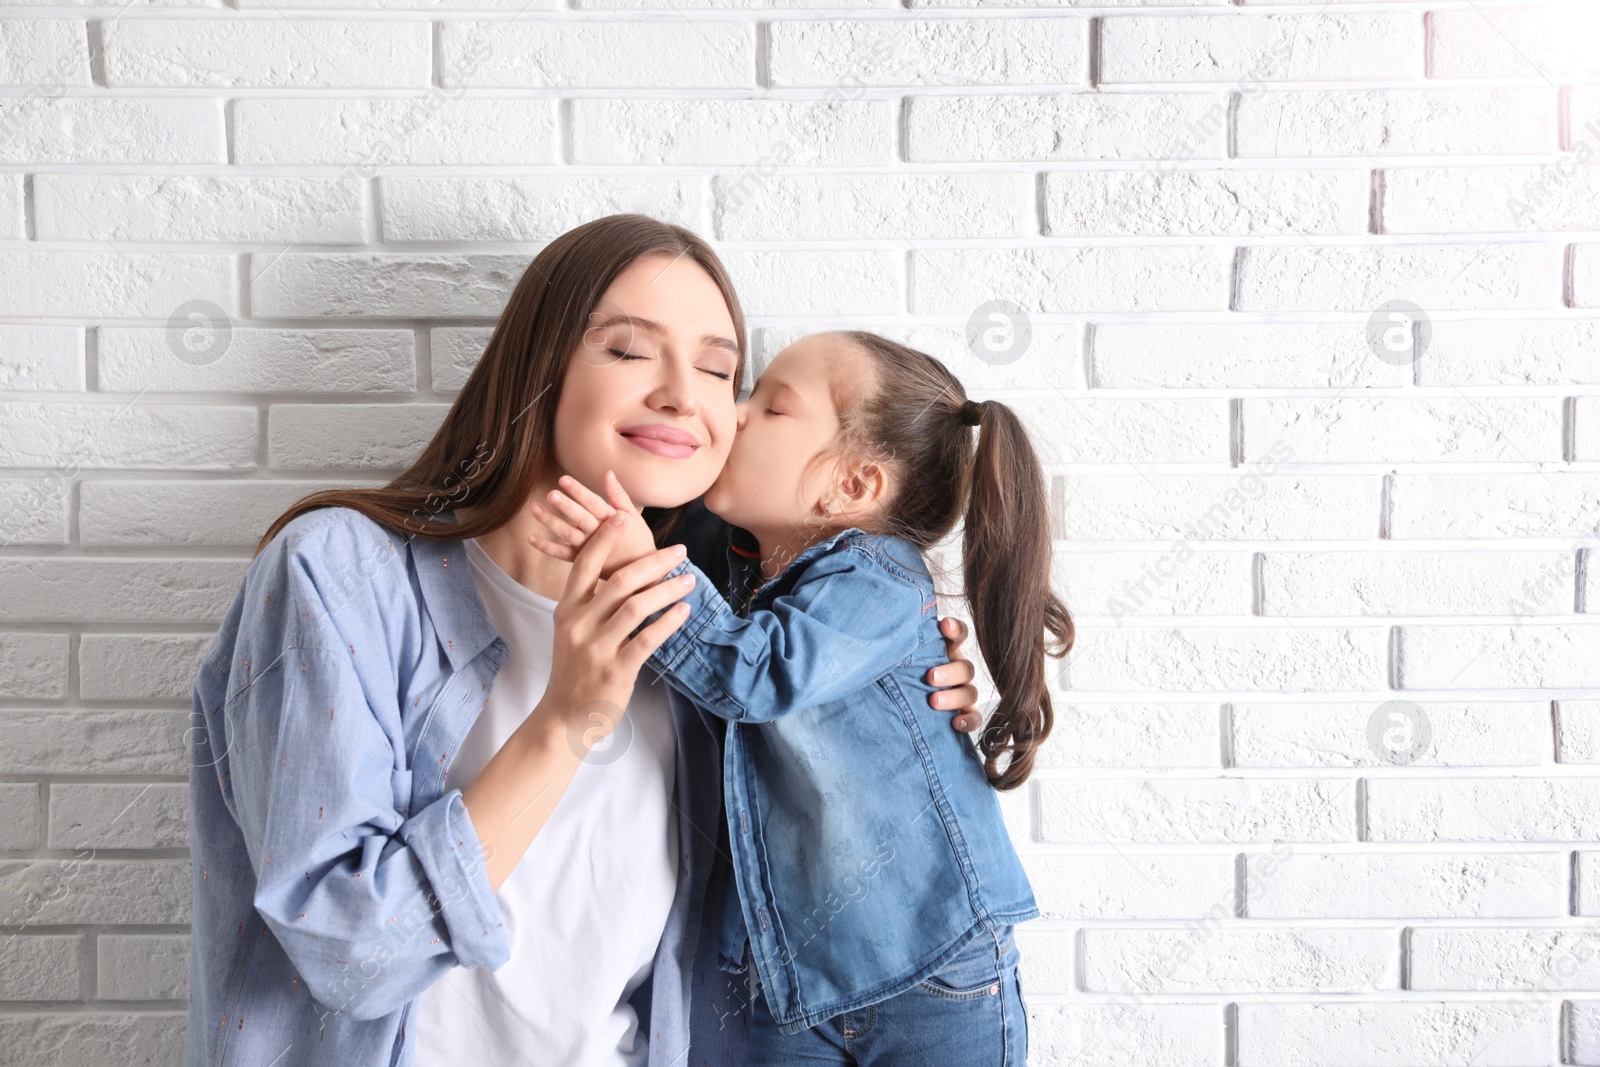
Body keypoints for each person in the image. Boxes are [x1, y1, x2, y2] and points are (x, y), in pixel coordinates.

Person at [184, 216, 988, 1067]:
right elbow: (351, 955)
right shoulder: (340, 576)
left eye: (720, 369)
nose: (686, 393)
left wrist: (904, 685)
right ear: (543, 368)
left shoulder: (718, 625)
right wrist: (569, 715)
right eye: (631, 350)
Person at [526, 329, 1073, 1066]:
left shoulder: (879, 577)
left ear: (851, 487)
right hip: (793, 981)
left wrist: (645, 570)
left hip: (930, 965)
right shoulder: (734, 567)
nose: (735, 413)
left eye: (771, 406)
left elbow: (755, 675)